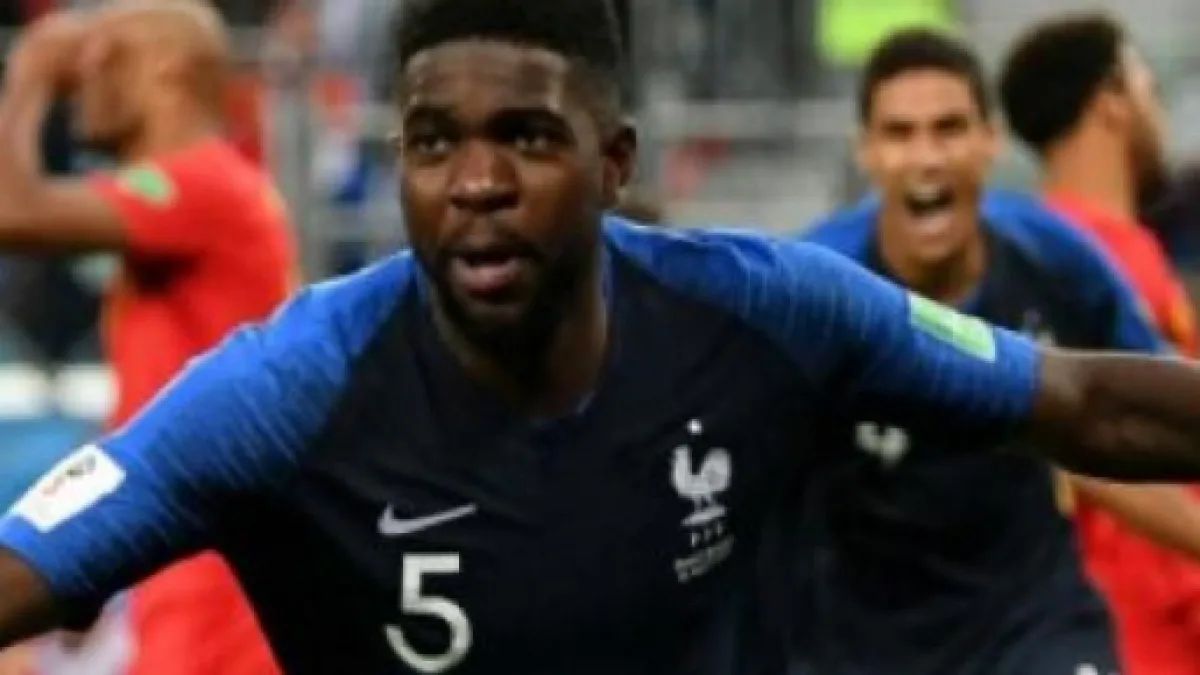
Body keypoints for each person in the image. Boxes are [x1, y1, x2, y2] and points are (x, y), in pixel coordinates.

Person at [7, 1, 1200, 673]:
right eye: (433, 143)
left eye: (526, 137)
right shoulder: (292, 387)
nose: (477, 183)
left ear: (615, 162)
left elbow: (1086, 402)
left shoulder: (770, 309)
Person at [779, 29, 1200, 675]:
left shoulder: (1061, 260)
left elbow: (1135, 419)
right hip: (863, 638)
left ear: (990, 140)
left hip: (1035, 623)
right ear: (866, 150)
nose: (927, 157)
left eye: (949, 129)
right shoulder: (812, 292)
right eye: (900, 133)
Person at [0, 2, 295, 674]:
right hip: (192, 571)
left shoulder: (202, 185)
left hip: (215, 596)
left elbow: (12, 210)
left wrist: (29, 73)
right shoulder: (201, 197)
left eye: (106, 56)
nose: (82, 78)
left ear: (165, 68)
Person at [1000, 15, 1200, 674]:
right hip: (1128, 625)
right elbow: (1075, 447)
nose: (1156, 105)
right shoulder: (1062, 261)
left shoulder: (1129, 247)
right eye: (1146, 82)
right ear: (1111, 99)